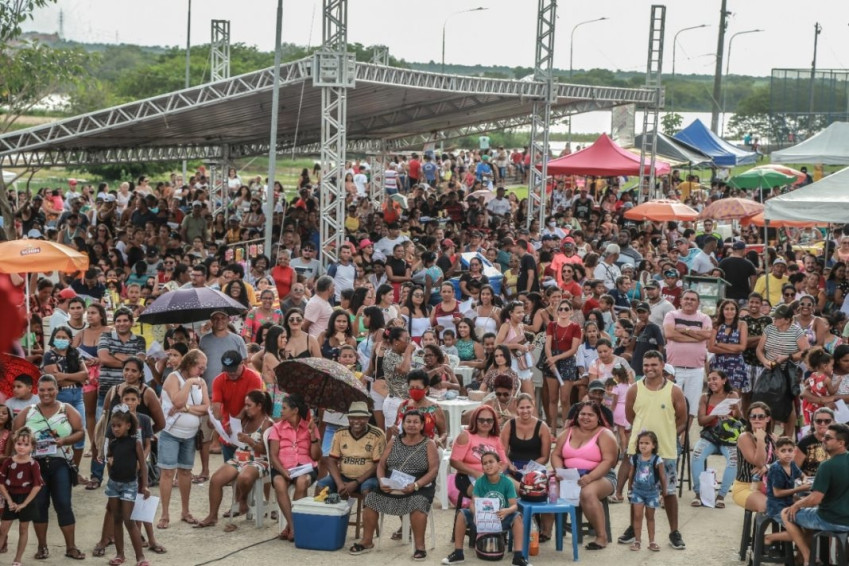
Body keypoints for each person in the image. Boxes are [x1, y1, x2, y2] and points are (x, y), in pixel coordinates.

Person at [618, 350, 688, 551]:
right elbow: (631, 417)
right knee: (636, 492)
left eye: (654, 365)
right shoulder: (634, 389)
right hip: (639, 454)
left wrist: (668, 434)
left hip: (665, 450)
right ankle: (633, 528)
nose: (649, 368)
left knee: (669, 492)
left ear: (663, 365)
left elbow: (683, 420)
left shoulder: (674, 391)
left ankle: (674, 531)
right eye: (646, 365)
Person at [349, 410, 439, 560]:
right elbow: (381, 465)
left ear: (422, 425)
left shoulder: (429, 444)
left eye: (416, 422)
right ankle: (366, 541)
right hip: (393, 482)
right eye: (408, 421)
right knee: (371, 500)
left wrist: (416, 485)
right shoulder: (394, 440)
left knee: (418, 503)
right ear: (403, 424)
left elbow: (433, 470)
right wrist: (382, 481)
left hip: (419, 485)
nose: (411, 425)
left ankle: (420, 547)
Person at [12, 374, 86, 560]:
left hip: (59, 462)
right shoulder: (28, 411)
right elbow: (14, 433)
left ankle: (71, 547)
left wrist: (65, 440)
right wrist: (28, 442)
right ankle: (42, 547)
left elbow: (80, 432)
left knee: (63, 504)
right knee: (39, 505)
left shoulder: (65, 409)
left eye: (50, 389)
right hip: (35, 466)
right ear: (37, 390)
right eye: (42, 390)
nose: (46, 393)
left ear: (57, 390)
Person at [196, 390, 273, 530]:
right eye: (245, 405)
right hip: (240, 457)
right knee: (215, 479)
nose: (246, 408)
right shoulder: (245, 419)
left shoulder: (267, 423)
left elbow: (266, 450)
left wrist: (249, 440)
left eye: (249, 405)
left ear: (259, 406)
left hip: (259, 459)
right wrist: (232, 429)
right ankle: (212, 515)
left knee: (245, 476)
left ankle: (242, 500)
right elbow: (234, 429)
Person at [442, 451, 531, 566]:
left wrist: (506, 511)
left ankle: (518, 557)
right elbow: (473, 504)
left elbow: (514, 505)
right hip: (482, 519)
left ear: (499, 465)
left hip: (501, 518)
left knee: (517, 517)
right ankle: (458, 553)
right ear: (482, 467)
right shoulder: (479, 482)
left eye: (491, 462)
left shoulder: (507, 482)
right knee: (461, 514)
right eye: (484, 463)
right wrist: (476, 515)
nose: (488, 465)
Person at [551, 401, 619, 550]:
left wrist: (590, 477)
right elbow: (556, 454)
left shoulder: (604, 434)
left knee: (587, 493)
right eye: (583, 414)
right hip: (570, 476)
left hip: (602, 476)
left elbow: (609, 461)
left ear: (598, 417)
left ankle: (601, 536)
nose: (586, 417)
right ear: (577, 415)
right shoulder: (568, 432)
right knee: (546, 487)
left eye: (590, 415)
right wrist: (559, 470)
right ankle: (546, 532)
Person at [157, 349, 211, 529]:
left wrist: (187, 408)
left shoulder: (201, 381)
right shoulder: (174, 378)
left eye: (204, 368)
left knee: (186, 472)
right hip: (171, 433)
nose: (201, 371)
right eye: (199, 367)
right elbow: (177, 402)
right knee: (167, 473)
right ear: (189, 364)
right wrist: (188, 383)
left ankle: (185, 511)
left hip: (189, 435)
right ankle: (164, 514)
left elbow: (205, 408)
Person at [782, 423, 849, 565]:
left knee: (786, 513)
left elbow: (815, 499)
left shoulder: (827, 466)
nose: (823, 440)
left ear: (841, 443)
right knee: (807, 518)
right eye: (824, 437)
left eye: (828, 438)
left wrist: (797, 504)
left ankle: (806, 556)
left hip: (830, 520)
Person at [268, 394, 320, 542]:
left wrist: (312, 435)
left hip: (305, 466)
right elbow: (273, 455)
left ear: (295, 410)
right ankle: (293, 526)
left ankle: (291, 526)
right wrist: (284, 472)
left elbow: (316, 456)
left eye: (284, 408)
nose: (281, 411)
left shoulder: (309, 427)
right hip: (282, 466)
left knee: (302, 482)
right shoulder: (277, 428)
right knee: (279, 483)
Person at [104, 407, 150, 566]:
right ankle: (120, 555)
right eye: (113, 426)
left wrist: (145, 485)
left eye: (119, 425)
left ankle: (140, 557)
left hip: (130, 485)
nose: (115, 429)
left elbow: (143, 465)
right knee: (116, 518)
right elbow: (110, 463)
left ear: (128, 426)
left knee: (129, 521)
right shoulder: (113, 444)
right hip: (114, 485)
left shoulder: (135, 443)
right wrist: (110, 465)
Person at [755, 304, 808, 439]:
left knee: (789, 404)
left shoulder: (797, 332)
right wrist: (764, 361)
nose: (775, 320)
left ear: (787, 319)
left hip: (788, 372)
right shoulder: (769, 328)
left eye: (778, 318)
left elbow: (806, 351)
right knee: (767, 401)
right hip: (770, 370)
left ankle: (788, 438)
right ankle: (768, 436)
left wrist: (788, 357)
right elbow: (759, 350)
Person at [690, 369, 740, 509]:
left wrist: (736, 409)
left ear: (724, 380)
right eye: (710, 379)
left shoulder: (732, 395)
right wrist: (716, 413)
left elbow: (738, 418)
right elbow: (701, 421)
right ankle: (698, 493)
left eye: (715, 379)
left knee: (734, 459)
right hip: (710, 435)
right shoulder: (705, 397)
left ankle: (721, 495)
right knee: (697, 455)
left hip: (728, 436)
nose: (711, 382)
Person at [663, 290, 712, 428]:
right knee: (670, 404)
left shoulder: (704, 318)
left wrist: (684, 330)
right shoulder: (671, 315)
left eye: (692, 299)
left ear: (698, 303)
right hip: (674, 369)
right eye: (686, 298)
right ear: (681, 300)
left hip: (696, 369)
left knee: (691, 407)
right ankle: (670, 437)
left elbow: (707, 335)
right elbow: (669, 333)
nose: (689, 301)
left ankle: (684, 438)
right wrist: (696, 337)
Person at [315, 401, 386, 497]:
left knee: (367, 490)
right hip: (344, 476)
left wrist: (356, 482)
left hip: (368, 478)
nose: (356, 421)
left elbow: (378, 464)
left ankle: (366, 512)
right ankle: (328, 512)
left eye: (361, 418)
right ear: (348, 418)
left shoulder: (377, 434)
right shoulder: (340, 433)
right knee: (321, 486)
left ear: (368, 419)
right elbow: (331, 461)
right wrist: (340, 484)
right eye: (353, 418)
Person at [0, 427, 43, 566]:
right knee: (3, 529)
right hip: (10, 498)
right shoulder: (8, 462)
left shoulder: (33, 464)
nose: (22, 447)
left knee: (23, 529)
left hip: (26, 499)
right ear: (14, 444)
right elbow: (1, 483)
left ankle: (17, 560)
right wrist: (9, 500)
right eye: (19, 443)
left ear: (32, 446)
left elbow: (37, 486)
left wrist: (24, 504)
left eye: (26, 444)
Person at [210, 350, 263, 462]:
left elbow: (250, 405)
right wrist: (216, 419)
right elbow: (216, 404)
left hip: (249, 427)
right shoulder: (219, 380)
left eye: (234, 370)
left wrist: (236, 422)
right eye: (228, 371)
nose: (231, 373)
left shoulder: (253, 378)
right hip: (228, 430)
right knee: (228, 466)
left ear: (242, 363)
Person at [451, 405, 509, 498]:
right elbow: (454, 461)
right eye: (481, 420)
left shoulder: (496, 439)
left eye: (489, 420)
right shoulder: (466, 436)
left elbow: (504, 462)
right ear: (475, 420)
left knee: (518, 490)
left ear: (494, 422)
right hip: (467, 476)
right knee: (486, 494)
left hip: (493, 476)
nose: (485, 423)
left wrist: (495, 474)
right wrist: (475, 473)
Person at [543, 299, 582, 431]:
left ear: (571, 311)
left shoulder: (576, 327)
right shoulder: (551, 325)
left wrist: (555, 358)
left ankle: (566, 430)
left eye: (566, 309)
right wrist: (550, 360)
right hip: (552, 359)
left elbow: (573, 349)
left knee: (565, 399)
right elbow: (547, 345)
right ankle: (553, 429)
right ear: (557, 311)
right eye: (561, 309)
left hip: (567, 361)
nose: (563, 311)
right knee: (552, 398)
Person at [731, 401, 777, 512]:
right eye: (753, 416)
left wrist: (769, 467)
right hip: (747, 486)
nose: (757, 419)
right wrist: (760, 440)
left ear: (768, 419)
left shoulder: (774, 438)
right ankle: (763, 530)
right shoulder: (744, 437)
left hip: (770, 486)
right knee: (767, 506)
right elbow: (759, 463)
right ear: (749, 419)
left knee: (795, 504)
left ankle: (788, 529)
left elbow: (786, 462)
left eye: (761, 416)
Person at [627, 430, 667, 552]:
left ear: (653, 445)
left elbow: (662, 477)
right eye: (641, 443)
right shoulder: (635, 458)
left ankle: (652, 541)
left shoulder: (657, 460)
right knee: (637, 516)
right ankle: (637, 541)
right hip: (637, 491)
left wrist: (664, 493)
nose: (643, 446)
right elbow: (631, 474)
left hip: (652, 493)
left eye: (647, 443)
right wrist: (629, 490)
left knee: (650, 517)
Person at [763, 436, 806, 547]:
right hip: (776, 506)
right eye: (783, 451)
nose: (787, 454)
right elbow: (777, 493)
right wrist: (800, 489)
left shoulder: (791, 464)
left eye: (790, 450)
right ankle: (770, 537)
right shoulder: (776, 468)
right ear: (777, 453)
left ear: (794, 451)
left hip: (789, 503)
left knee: (808, 528)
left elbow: (802, 475)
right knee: (800, 534)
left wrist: (804, 481)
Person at [795, 407, 835, 477]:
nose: (822, 424)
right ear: (813, 423)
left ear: (833, 422)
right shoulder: (804, 442)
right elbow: (794, 467)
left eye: (827, 421)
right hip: (810, 483)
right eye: (818, 421)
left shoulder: (841, 440)